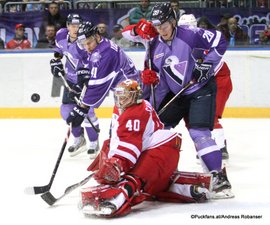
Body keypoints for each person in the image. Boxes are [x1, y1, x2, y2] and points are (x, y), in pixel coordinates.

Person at [122, 3, 234, 199]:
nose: (161, 30)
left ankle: (218, 177)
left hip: (200, 89)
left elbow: (221, 41)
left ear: (173, 21)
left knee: (199, 132)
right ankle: (153, 171)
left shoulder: (190, 34)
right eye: (157, 26)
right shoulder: (154, 43)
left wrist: (206, 64)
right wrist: (153, 101)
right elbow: (126, 34)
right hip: (176, 94)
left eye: (164, 25)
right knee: (157, 128)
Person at [79, 79, 212, 217]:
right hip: (153, 153)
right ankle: (187, 188)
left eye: (125, 96)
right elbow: (119, 136)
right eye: (118, 96)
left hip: (160, 153)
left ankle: (115, 201)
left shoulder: (136, 111)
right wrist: (108, 155)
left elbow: (131, 144)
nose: (121, 100)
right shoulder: (124, 107)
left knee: (133, 180)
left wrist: (118, 163)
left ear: (135, 96)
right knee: (150, 185)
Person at [65, 22, 140, 133]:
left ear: (97, 36)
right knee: (117, 132)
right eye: (84, 44)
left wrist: (82, 108)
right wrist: (78, 86)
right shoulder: (98, 46)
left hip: (131, 94)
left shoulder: (106, 53)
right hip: (123, 92)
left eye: (89, 43)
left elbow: (98, 85)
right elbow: (88, 64)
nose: (87, 48)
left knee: (121, 133)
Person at [179, 15, 233, 160]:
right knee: (196, 117)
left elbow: (208, 66)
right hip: (208, 80)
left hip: (220, 79)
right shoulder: (182, 44)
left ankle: (220, 147)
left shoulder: (202, 40)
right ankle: (208, 146)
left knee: (211, 115)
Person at [50, 14, 100, 157]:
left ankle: (94, 142)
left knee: (86, 112)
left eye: (78, 25)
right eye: (72, 25)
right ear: (67, 26)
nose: (75, 28)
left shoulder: (84, 42)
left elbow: (90, 61)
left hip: (85, 81)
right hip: (70, 80)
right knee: (66, 112)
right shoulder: (60, 35)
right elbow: (59, 51)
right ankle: (79, 139)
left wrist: (83, 81)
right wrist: (56, 61)